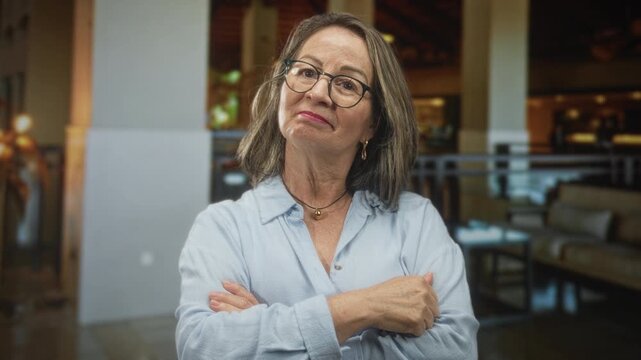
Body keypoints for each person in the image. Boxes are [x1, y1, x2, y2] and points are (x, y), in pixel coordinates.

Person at [176, 12, 478, 359]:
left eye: (347, 84)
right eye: (306, 71)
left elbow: (458, 351)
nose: (318, 92)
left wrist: (268, 329)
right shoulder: (223, 227)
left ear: (372, 125)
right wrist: (364, 307)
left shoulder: (416, 220)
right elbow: (203, 348)